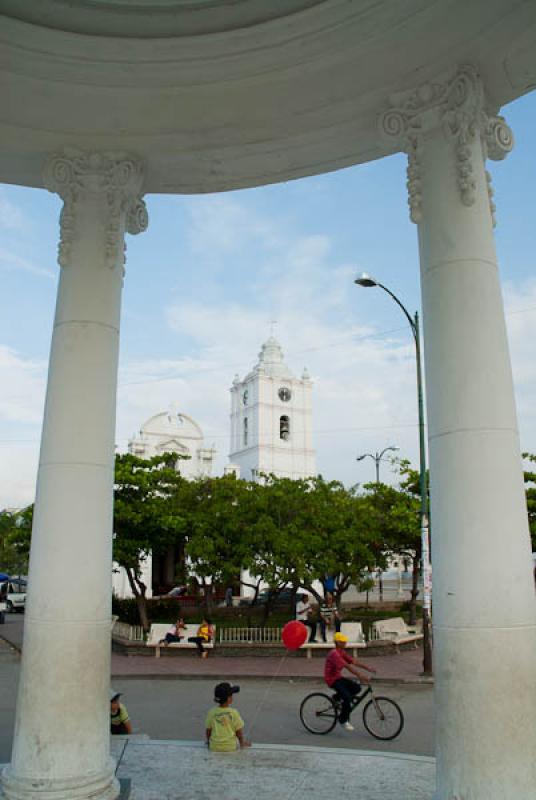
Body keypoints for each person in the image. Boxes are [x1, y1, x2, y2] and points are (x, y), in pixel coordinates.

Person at [324, 632, 377, 731]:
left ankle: (337, 698)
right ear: (337, 642)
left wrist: (368, 668)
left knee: (357, 688)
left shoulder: (341, 652)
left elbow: (354, 662)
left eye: (345, 641)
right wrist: (360, 675)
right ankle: (343, 720)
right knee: (347, 698)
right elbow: (347, 666)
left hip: (338, 677)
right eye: (342, 641)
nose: (345, 643)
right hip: (331, 680)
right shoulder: (334, 654)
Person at [205, 682, 251, 752]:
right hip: (230, 747)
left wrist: (208, 742)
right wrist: (242, 743)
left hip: (214, 747)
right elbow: (239, 732)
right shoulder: (234, 712)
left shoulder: (211, 712)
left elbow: (208, 730)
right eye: (231, 695)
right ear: (229, 699)